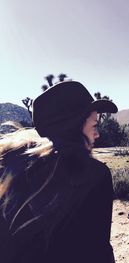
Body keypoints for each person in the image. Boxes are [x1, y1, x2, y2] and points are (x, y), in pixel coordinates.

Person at [0, 81, 118, 263]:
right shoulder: (94, 175)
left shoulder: (10, 167)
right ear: (75, 126)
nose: (97, 134)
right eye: (94, 125)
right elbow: (97, 251)